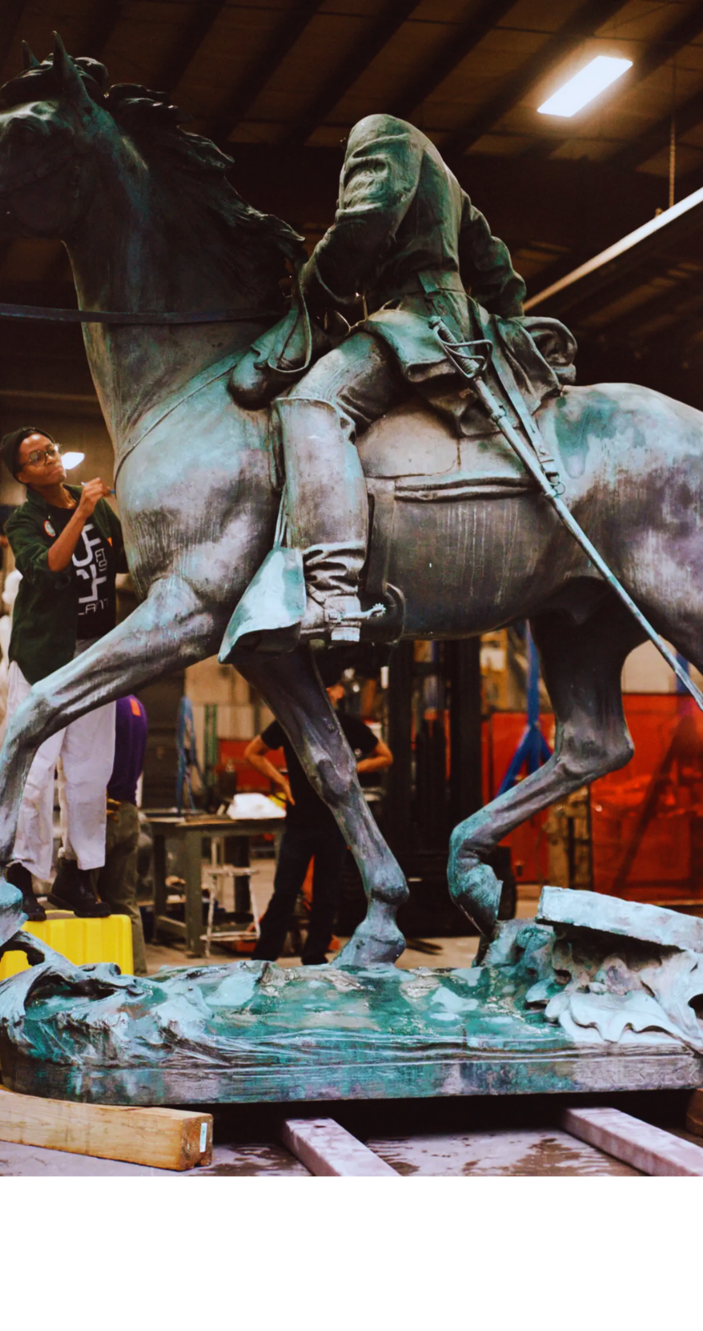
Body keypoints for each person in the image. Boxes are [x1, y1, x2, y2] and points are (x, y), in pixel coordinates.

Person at [229, 112, 563, 651]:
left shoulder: (381, 133)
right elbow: (496, 265)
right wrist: (503, 329)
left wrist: (312, 288)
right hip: (454, 322)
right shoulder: (445, 174)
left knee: (312, 403)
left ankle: (331, 591)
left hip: (417, 320)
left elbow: (363, 224)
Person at [0, 426, 127, 919]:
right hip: (44, 660)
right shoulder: (23, 521)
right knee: (33, 774)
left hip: (95, 654)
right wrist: (81, 513)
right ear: (22, 476)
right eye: (37, 457)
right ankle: (20, 876)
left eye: (51, 449)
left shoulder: (91, 504)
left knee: (90, 772)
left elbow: (122, 558)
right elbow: (48, 568)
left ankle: (76, 875)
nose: (50, 458)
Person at [246, 681, 391, 963]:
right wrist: (281, 781)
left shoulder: (348, 725)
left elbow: (385, 756)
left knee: (327, 896)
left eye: (329, 686)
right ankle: (263, 959)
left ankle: (314, 957)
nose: (323, 692)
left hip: (335, 823)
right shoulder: (291, 723)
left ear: (339, 692)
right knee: (284, 893)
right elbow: (252, 752)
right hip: (299, 823)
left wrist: (350, 771)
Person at [96, 694, 149, 973]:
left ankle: (94, 977)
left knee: (86, 901)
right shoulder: (137, 706)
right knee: (125, 903)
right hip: (129, 811)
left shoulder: (105, 705)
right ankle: (137, 974)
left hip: (103, 811)